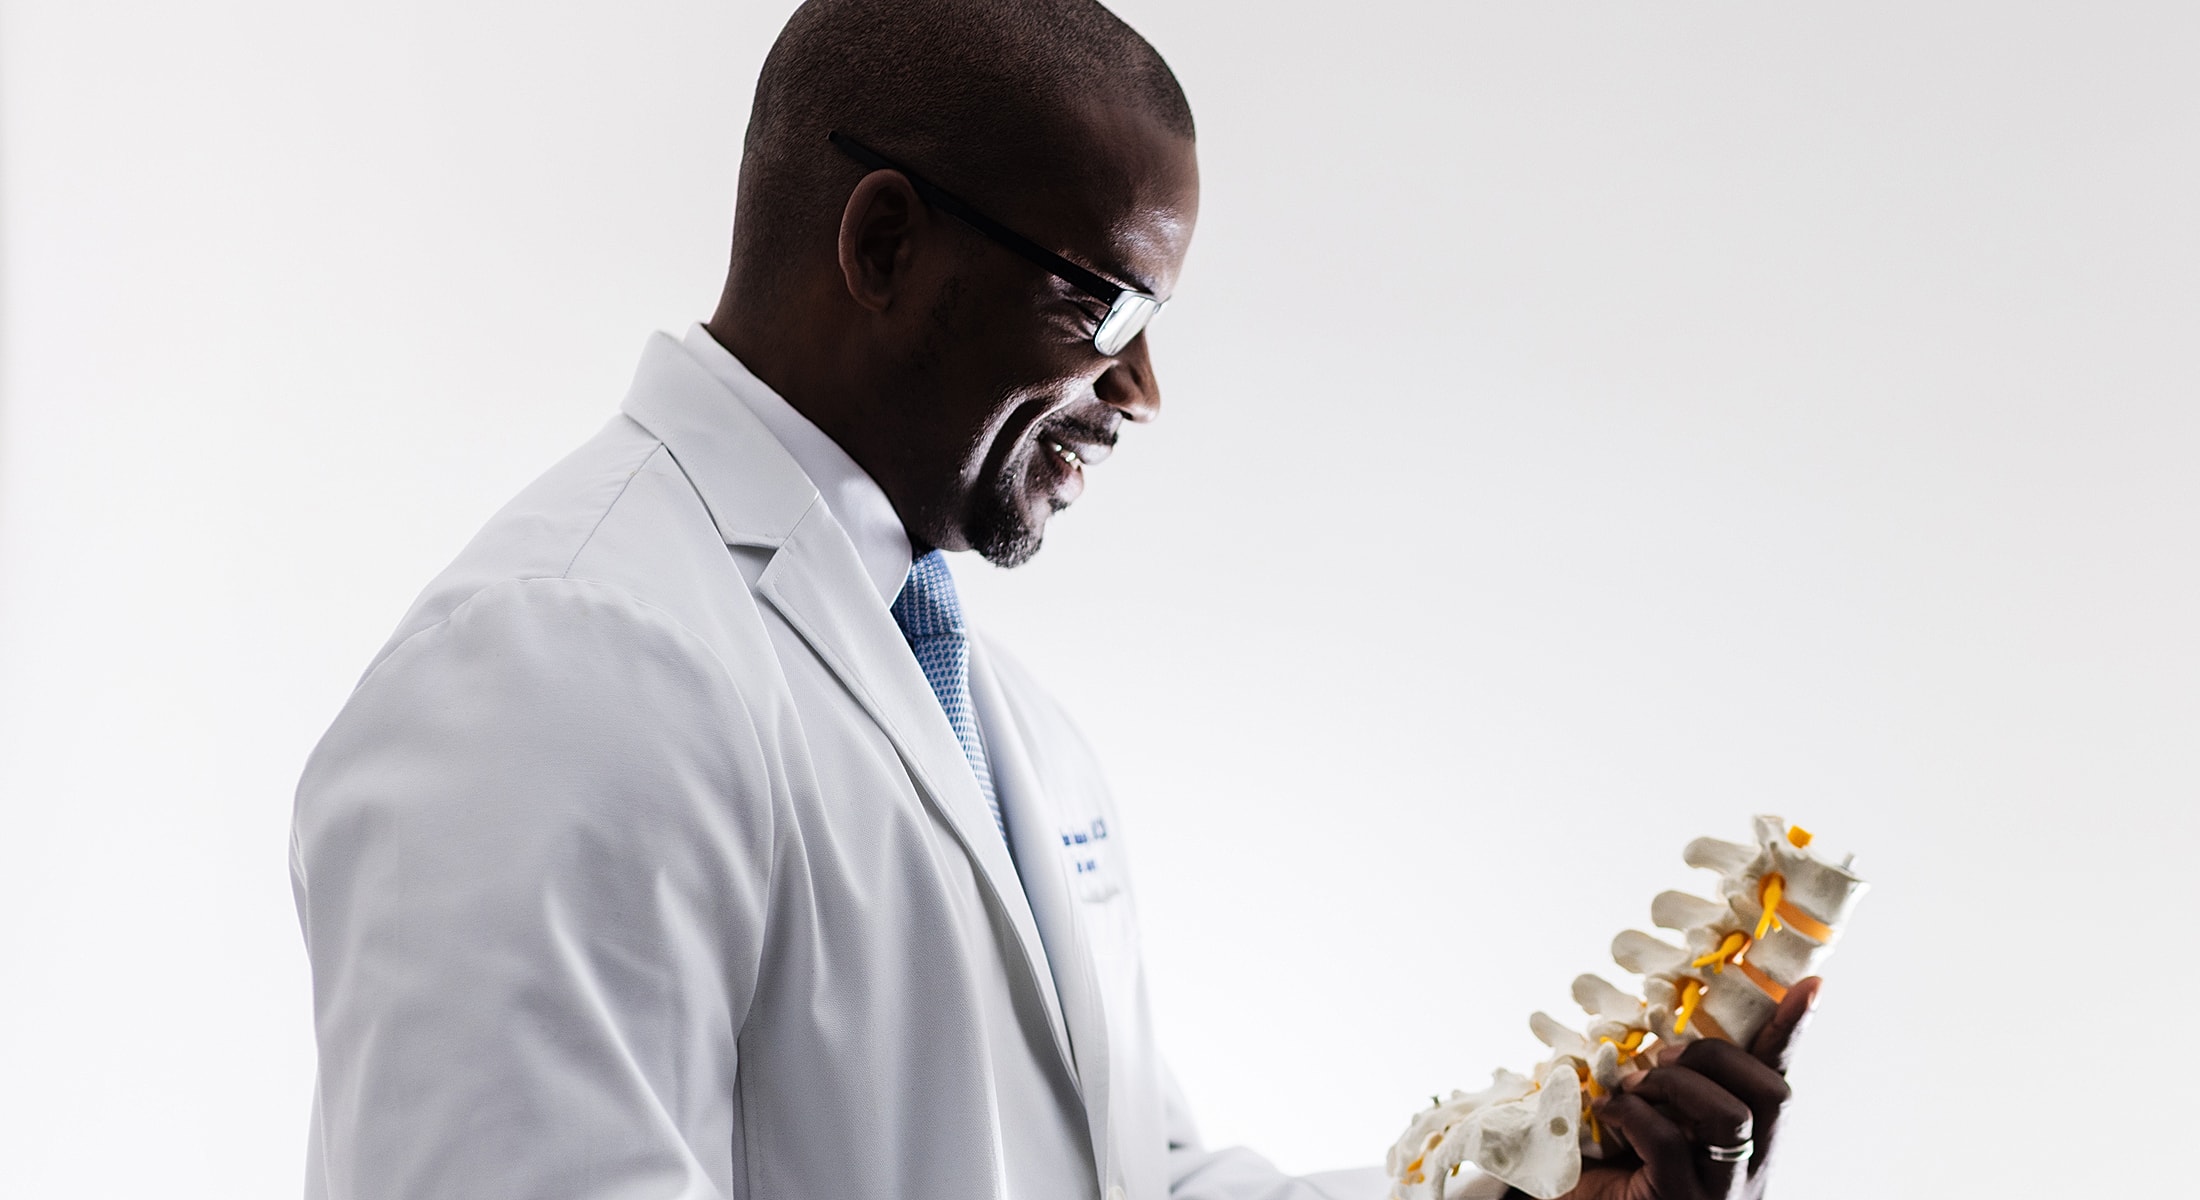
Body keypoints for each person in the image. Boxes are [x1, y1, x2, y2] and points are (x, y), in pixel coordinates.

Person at [289, 2, 1817, 1197]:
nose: (1141, 390)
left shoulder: (986, 709)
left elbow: (1130, 1179)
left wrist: (1547, 1187)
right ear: (884, 243)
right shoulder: (564, 663)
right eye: (1103, 302)